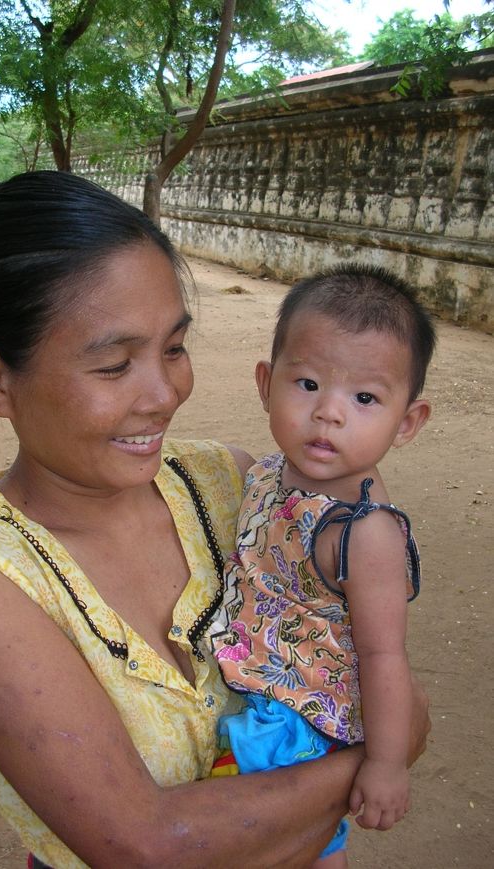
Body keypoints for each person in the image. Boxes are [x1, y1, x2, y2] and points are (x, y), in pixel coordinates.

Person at [0, 171, 429, 868]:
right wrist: (369, 763)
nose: (165, 393)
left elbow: (386, 678)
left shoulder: (234, 485)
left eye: (175, 348)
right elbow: (147, 844)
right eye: (115, 364)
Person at [211, 265, 436, 868]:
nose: (329, 413)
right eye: (307, 383)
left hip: (301, 727)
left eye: (364, 398)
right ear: (266, 383)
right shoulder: (262, 472)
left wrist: (386, 763)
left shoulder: (366, 533)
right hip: (246, 695)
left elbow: (384, 654)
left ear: (407, 421)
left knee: (299, 849)